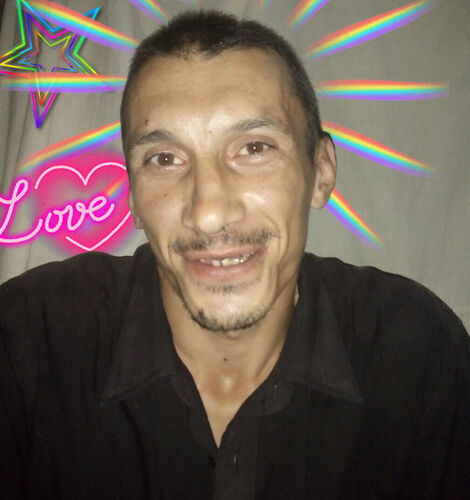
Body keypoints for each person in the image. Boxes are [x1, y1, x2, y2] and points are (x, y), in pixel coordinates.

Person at [1, 9, 469, 500]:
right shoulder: (27, 341)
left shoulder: (416, 354)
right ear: (134, 196)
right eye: (164, 158)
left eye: (254, 148)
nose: (208, 212)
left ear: (321, 171)